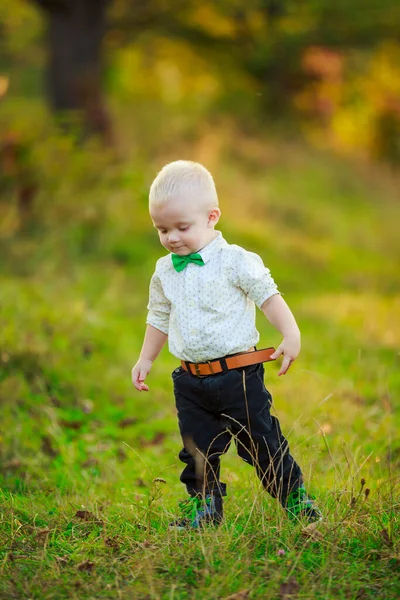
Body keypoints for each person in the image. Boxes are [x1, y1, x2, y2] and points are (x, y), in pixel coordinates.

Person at [131, 160, 322, 529]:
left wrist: (291, 333)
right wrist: (145, 358)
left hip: (238, 377)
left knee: (262, 441)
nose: (172, 237)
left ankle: (295, 498)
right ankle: (205, 508)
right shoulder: (164, 270)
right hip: (190, 381)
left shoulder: (236, 261)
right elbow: (157, 317)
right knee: (196, 449)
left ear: (212, 217)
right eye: (162, 229)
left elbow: (268, 297)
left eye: (181, 227)